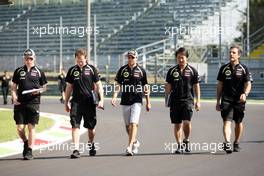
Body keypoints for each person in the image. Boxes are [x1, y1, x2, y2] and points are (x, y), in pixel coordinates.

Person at [64, 48, 104, 159]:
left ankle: (91, 143)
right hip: (76, 102)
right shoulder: (72, 70)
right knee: (75, 125)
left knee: (91, 128)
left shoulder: (92, 69)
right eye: (77, 60)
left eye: (81, 60)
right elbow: (69, 87)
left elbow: (99, 86)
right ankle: (76, 149)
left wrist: (101, 100)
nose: (79, 62)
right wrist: (66, 102)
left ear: (85, 58)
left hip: (89, 102)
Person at [111, 49, 151, 156]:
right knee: (127, 126)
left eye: (132, 57)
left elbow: (146, 87)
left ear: (136, 58)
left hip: (137, 100)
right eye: (129, 57)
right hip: (125, 100)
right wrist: (115, 96)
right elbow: (118, 84)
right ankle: (135, 142)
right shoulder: (122, 69)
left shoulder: (141, 70)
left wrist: (148, 102)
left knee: (134, 123)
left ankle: (129, 147)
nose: (130, 59)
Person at [11, 49, 47, 160]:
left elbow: (44, 87)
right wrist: (13, 96)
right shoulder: (18, 71)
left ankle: (30, 150)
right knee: (20, 128)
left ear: (34, 58)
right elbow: (13, 87)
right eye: (26, 58)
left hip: (34, 102)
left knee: (31, 127)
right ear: (24, 59)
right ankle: (26, 142)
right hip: (20, 103)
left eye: (30, 58)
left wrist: (39, 91)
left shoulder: (39, 71)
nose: (28, 60)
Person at [216, 45, 252, 153]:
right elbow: (219, 86)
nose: (231, 54)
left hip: (239, 101)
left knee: (238, 122)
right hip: (226, 99)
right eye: (230, 52)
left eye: (234, 52)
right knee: (227, 122)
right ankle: (227, 143)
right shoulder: (223, 68)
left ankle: (236, 143)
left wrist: (245, 94)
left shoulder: (244, 68)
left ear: (239, 55)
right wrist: (218, 101)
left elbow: (248, 84)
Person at [165, 47, 201, 154]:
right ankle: (179, 145)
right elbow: (168, 87)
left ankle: (186, 139)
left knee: (186, 122)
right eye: (178, 58)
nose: (180, 60)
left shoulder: (192, 71)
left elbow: (196, 86)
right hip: (175, 101)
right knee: (177, 124)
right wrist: (167, 99)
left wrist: (198, 101)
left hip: (188, 100)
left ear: (186, 58)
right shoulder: (171, 71)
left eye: (182, 58)